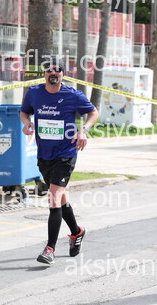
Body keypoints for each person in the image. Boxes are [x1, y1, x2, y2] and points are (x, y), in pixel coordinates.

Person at [20, 56, 99, 265]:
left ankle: (50, 249)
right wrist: (26, 123)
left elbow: (93, 112)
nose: (52, 73)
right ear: (45, 73)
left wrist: (84, 130)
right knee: (60, 198)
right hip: (44, 154)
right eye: (49, 70)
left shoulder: (73, 95)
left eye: (57, 70)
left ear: (63, 74)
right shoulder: (34, 93)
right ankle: (77, 231)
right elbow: (24, 112)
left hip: (66, 153)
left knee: (53, 197)